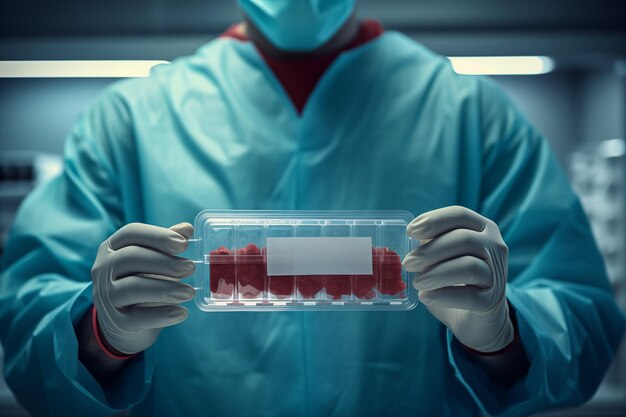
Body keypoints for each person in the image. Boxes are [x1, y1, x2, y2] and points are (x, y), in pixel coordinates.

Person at [1, 0, 624, 416]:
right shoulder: (130, 122)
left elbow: (583, 316)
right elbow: (26, 322)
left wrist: (504, 335)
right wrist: (99, 336)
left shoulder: (472, 116)